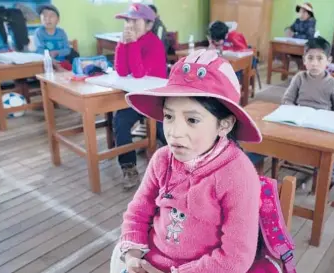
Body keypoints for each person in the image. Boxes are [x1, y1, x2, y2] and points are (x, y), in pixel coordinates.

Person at [110, 49, 263, 273]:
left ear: (225, 125)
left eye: (192, 119)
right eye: (169, 117)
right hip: (149, 262)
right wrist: (133, 256)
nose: (174, 133)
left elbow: (235, 258)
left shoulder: (238, 175)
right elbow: (139, 210)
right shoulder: (162, 159)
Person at [282, 37, 334, 202]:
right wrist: (294, 112)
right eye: (310, 58)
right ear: (304, 60)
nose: (314, 63)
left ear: (329, 61)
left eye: (320, 59)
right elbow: (287, 100)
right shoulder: (299, 78)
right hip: (298, 123)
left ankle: (332, 183)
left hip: (320, 127)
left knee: (329, 150)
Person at [113, 3, 167, 190]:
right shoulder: (129, 40)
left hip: (156, 99)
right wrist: (122, 44)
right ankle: (129, 167)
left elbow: (138, 74)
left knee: (165, 131)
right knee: (120, 121)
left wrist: (133, 44)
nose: (129, 25)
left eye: (135, 21)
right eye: (127, 21)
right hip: (136, 98)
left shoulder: (154, 44)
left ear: (149, 25)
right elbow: (121, 70)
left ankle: (181, 165)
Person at [34, 4, 74, 70]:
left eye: (51, 16)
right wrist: (51, 60)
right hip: (45, 63)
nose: (47, 19)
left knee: (73, 72)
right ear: (41, 19)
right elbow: (39, 50)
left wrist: (57, 52)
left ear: (58, 20)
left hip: (62, 62)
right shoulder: (39, 32)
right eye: (44, 16)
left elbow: (67, 50)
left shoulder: (61, 32)